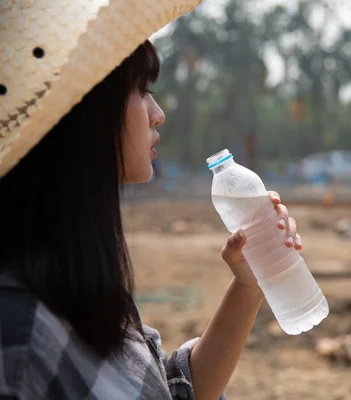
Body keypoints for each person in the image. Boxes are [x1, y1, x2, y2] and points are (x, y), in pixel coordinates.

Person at [0, 1, 303, 399]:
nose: (157, 114)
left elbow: (168, 389)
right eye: (141, 90)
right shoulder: (16, 340)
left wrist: (249, 285)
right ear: (84, 115)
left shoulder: (75, 281)